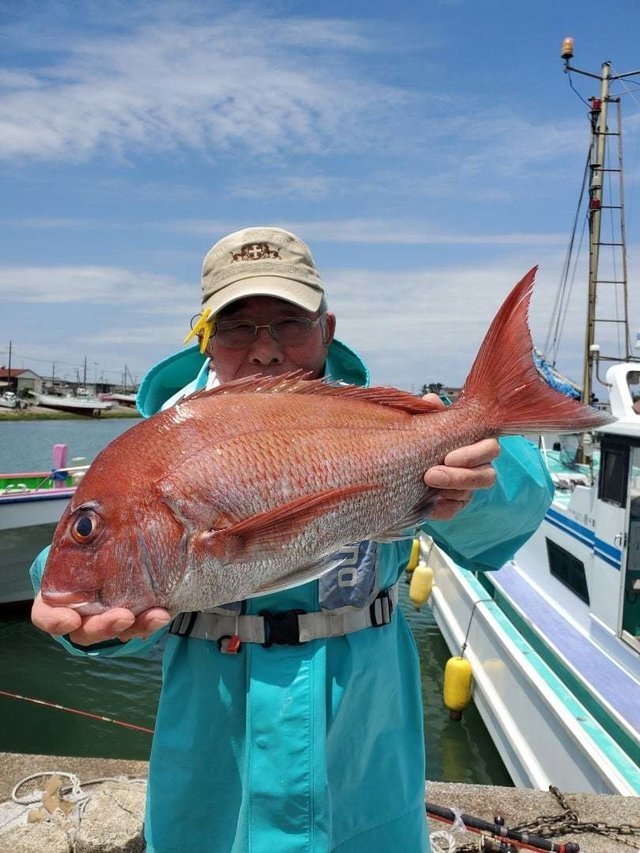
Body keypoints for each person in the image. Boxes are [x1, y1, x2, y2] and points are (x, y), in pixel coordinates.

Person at [30, 227, 553, 853]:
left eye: (289, 322)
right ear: (204, 335)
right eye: (237, 325)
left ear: (327, 329)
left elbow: (517, 514)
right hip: (215, 752)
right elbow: (88, 555)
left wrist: (477, 483)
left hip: (360, 740)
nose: (265, 350)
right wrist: (70, 608)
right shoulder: (160, 438)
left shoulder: (378, 417)